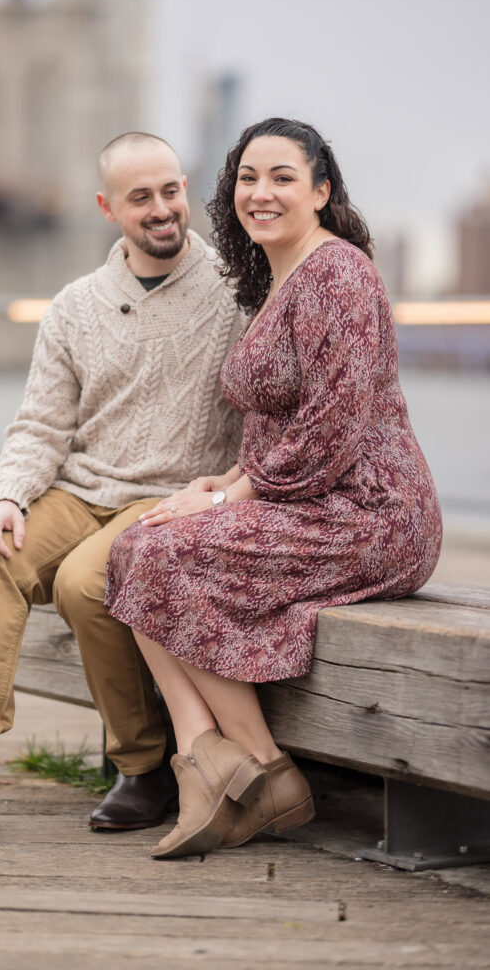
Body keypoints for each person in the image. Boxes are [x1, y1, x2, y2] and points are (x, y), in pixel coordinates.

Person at [105, 117, 443, 860]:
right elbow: (279, 417)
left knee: (165, 557)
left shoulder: (337, 272)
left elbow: (332, 427)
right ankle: (207, 760)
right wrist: (224, 478)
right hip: (305, 497)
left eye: (282, 178)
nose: (259, 193)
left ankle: (263, 771)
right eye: (246, 179)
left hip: (372, 512)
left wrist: (227, 502)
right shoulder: (278, 276)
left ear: (321, 191)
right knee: (136, 547)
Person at [0, 132, 246, 844]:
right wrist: (5, 499)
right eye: (140, 197)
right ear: (107, 207)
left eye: (171, 191)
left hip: (170, 496)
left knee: (83, 583)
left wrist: (230, 494)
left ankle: (141, 765)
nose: (161, 210)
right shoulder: (73, 306)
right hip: (79, 489)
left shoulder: (234, 294)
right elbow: (39, 425)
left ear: (186, 190)